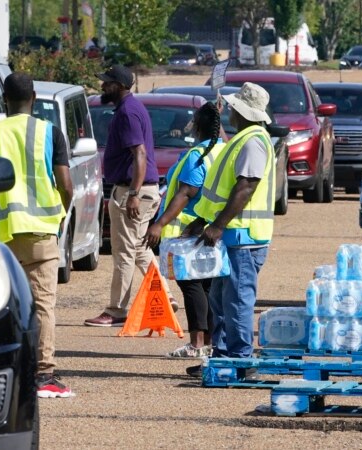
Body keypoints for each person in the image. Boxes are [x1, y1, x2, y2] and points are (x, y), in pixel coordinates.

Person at [0, 72, 74, 398]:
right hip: (40, 234)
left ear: (3, 101)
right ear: (34, 98)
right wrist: (60, 214)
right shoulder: (49, 133)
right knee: (43, 305)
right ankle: (44, 375)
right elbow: (65, 184)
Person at [182, 82, 276, 378]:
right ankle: (223, 358)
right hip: (233, 235)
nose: (229, 112)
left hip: (243, 236)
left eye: (233, 108)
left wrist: (218, 225)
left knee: (236, 300)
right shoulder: (244, 138)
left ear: (241, 111)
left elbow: (246, 186)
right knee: (221, 300)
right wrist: (204, 220)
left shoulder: (252, 141)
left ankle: (240, 360)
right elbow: (222, 189)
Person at [84, 64, 176, 327]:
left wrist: (133, 194)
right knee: (137, 248)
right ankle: (165, 296)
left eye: (107, 82)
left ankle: (116, 311)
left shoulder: (128, 113)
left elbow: (140, 155)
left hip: (134, 191)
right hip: (135, 190)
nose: (103, 86)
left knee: (124, 252)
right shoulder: (131, 108)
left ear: (120, 86)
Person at [144, 102, 225, 359]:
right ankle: (209, 341)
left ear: (198, 126)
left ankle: (196, 343)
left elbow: (185, 193)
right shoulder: (223, 151)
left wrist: (159, 223)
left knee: (191, 285)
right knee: (209, 286)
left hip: (189, 230)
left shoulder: (196, 156)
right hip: (214, 227)